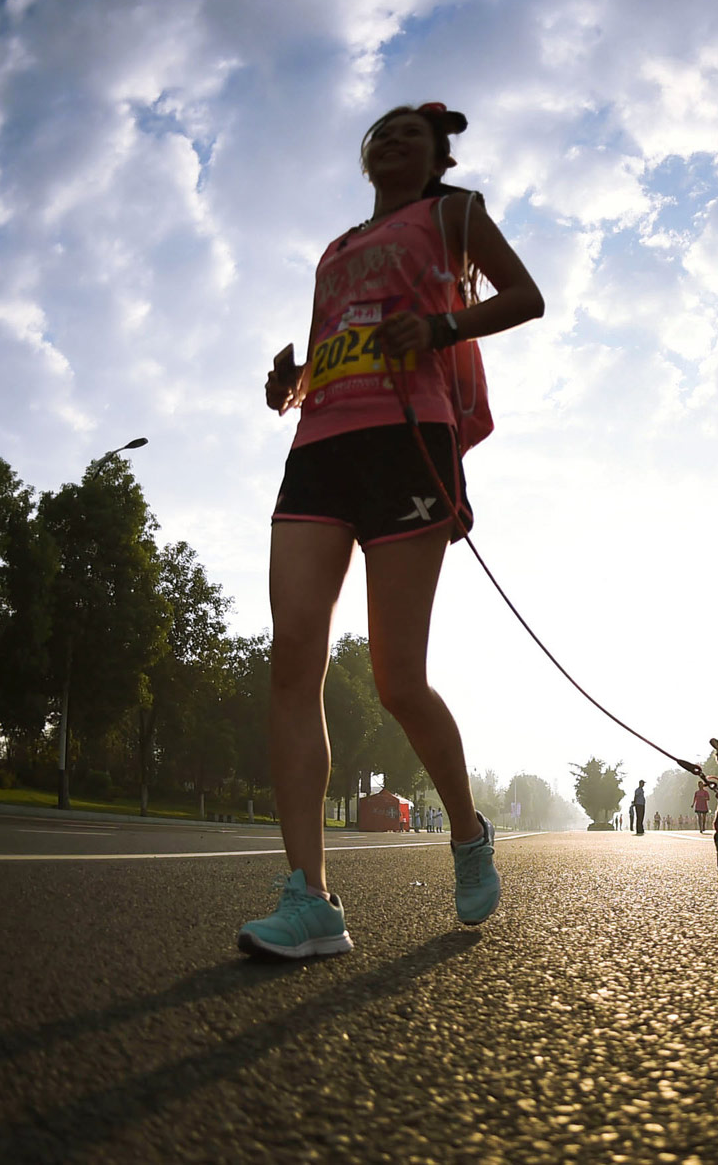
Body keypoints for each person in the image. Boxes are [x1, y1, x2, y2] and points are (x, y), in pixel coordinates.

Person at [242, 101, 545, 959]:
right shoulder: (334, 250)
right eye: (383, 132)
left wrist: (444, 323)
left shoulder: (453, 213)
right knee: (294, 650)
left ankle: (467, 829)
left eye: (414, 134)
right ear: (365, 155)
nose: (396, 141)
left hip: (408, 442)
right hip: (321, 447)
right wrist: (292, 381)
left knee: (397, 679)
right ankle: (311, 897)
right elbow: (331, 346)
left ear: (437, 157)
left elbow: (528, 296)